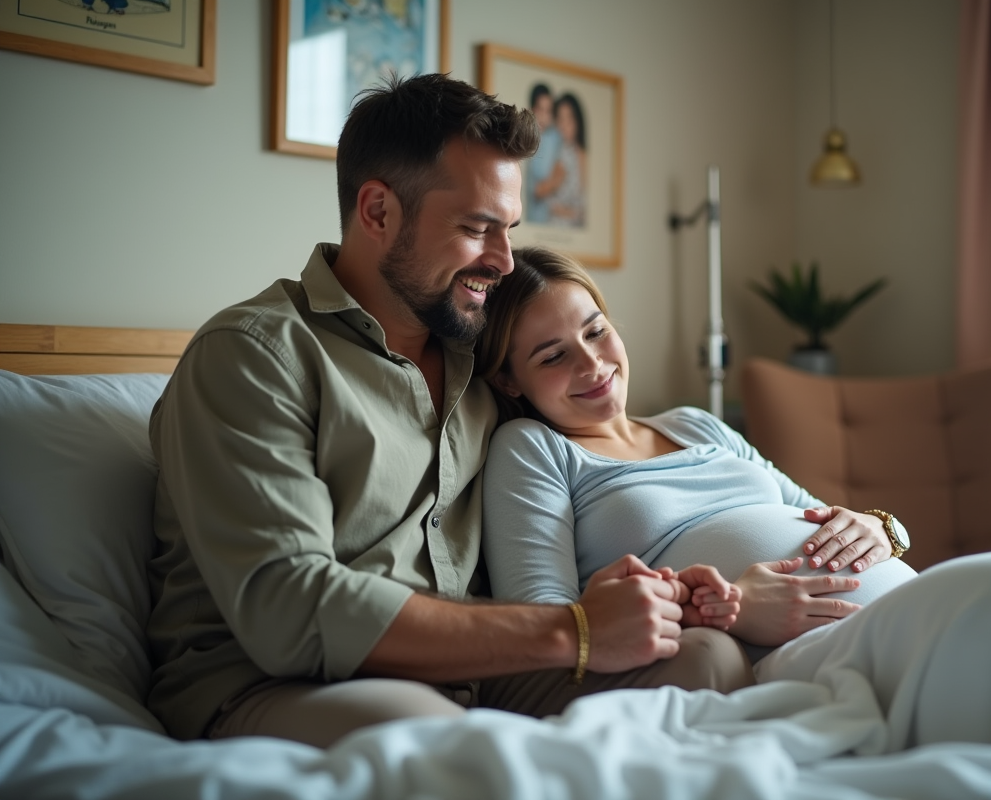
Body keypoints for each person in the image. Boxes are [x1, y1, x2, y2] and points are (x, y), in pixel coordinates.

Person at [144, 73, 757, 750]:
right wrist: (574, 630)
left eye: (509, 230)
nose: (502, 261)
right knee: (440, 740)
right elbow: (289, 609)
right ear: (377, 212)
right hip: (275, 683)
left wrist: (657, 591)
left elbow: (586, 466)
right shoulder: (255, 355)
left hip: (473, 673)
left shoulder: (483, 365)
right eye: (477, 229)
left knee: (707, 660)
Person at [475, 247, 918, 656]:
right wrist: (723, 607)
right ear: (509, 381)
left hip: (898, 603)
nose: (591, 363)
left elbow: (827, 520)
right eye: (553, 356)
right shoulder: (534, 448)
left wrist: (883, 528)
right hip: (792, 651)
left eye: (596, 331)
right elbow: (544, 619)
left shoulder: (695, 423)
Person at [547, 93, 587, 227]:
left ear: (578, 121)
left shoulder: (583, 155)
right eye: (560, 119)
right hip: (553, 227)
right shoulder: (553, 152)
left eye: (569, 118)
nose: (564, 125)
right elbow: (547, 203)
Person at [523, 83, 561, 224]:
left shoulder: (554, 138)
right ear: (532, 109)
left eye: (548, 111)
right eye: (540, 109)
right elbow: (537, 191)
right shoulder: (525, 140)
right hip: (531, 216)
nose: (544, 116)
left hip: (551, 219)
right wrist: (556, 181)